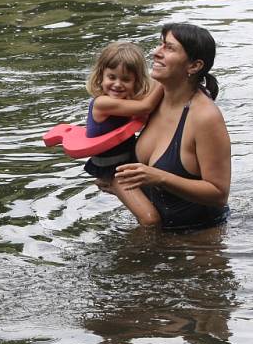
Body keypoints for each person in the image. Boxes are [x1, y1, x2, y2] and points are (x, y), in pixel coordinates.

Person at [112, 23, 231, 231]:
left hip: (201, 238)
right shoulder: (152, 97)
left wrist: (159, 177)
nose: (156, 52)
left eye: (169, 48)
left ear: (194, 66)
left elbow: (219, 194)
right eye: (160, 44)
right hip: (156, 228)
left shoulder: (205, 117)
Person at [85, 42, 163, 226]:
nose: (117, 84)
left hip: (126, 162)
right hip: (114, 171)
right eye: (111, 77)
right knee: (150, 219)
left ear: (136, 81)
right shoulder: (102, 103)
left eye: (126, 80)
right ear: (100, 77)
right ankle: (137, 251)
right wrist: (163, 78)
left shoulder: (125, 100)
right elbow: (146, 106)